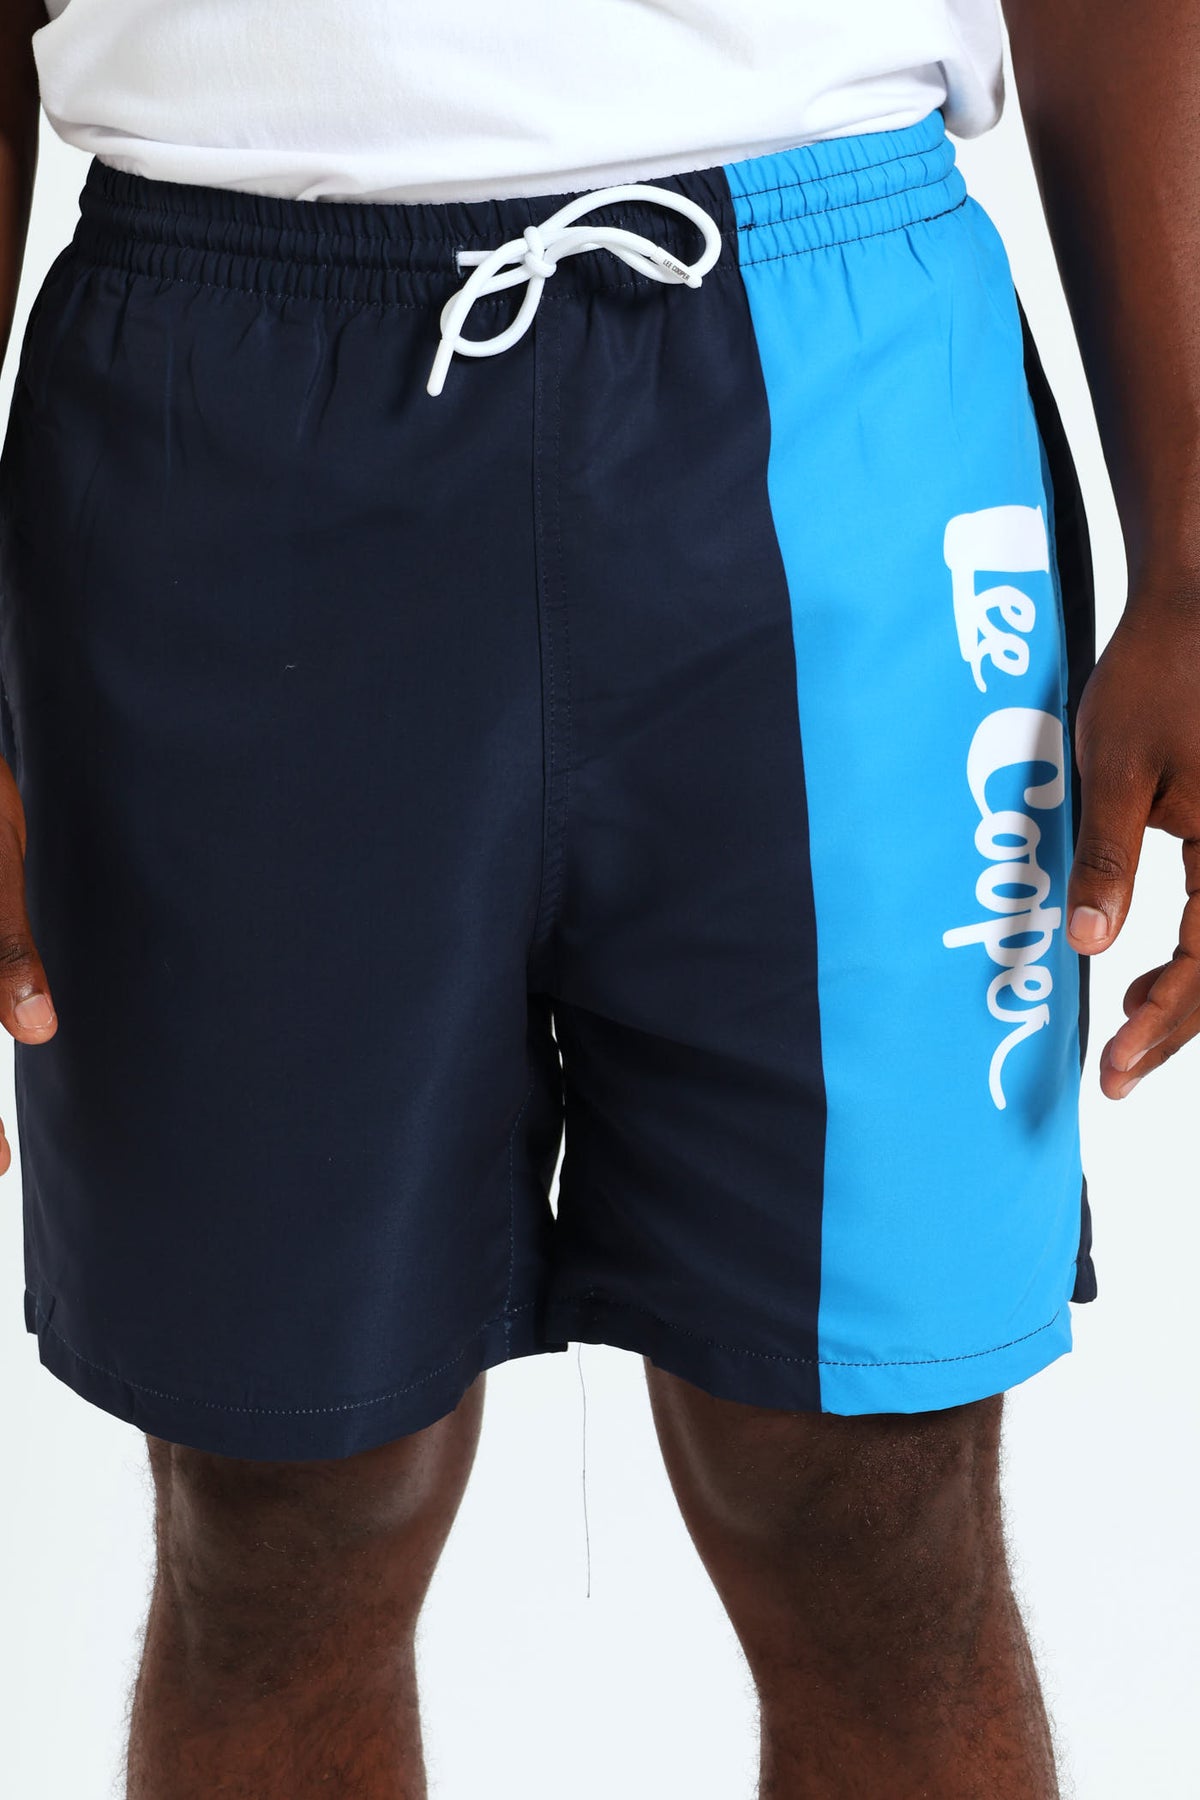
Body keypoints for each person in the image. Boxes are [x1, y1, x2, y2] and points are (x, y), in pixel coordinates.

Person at [0, 1, 1195, 1794]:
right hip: (220, 400)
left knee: (871, 1493)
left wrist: (1197, 545)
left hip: (837, 370)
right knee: (281, 1506)